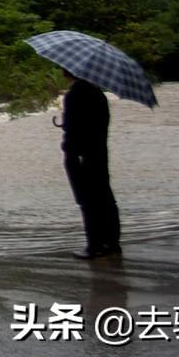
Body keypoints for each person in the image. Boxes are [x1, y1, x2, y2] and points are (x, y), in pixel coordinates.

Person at [57, 68, 122, 259]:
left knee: (87, 200)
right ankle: (112, 243)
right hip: (99, 153)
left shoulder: (75, 95)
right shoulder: (99, 94)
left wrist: (66, 126)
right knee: (105, 198)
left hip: (79, 156)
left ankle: (94, 245)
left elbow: (73, 130)